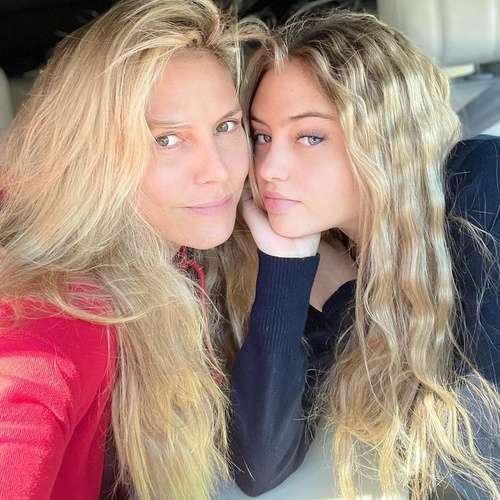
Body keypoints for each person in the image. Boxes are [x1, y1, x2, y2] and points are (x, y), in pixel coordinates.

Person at [229, 9, 500, 500]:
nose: (268, 168)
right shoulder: (323, 252)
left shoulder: (482, 181)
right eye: (262, 136)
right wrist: (284, 266)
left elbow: (482, 450)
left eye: (310, 136)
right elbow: (260, 466)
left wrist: (345, 298)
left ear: (385, 137)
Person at [0, 0, 253, 498]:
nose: (218, 171)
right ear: (90, 153)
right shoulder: (55, 324)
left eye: (226, 126)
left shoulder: (177, 250)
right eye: (166, 139)